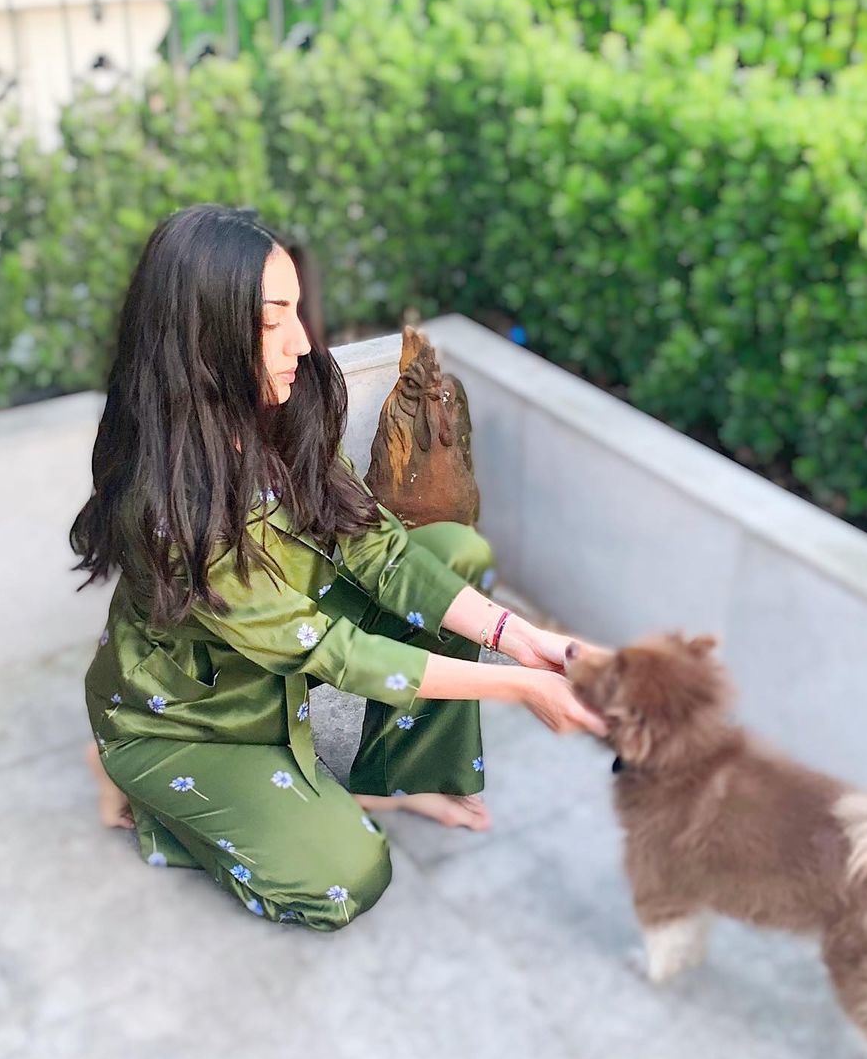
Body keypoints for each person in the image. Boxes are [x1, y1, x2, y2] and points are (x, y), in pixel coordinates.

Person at [71, 204, 606, 931]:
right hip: (194, 719)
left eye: (297, 312)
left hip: (282, 644)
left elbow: (376, 548)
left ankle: (399, 776)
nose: (301, 342)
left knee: (453, 553)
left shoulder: (280, 403)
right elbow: (332, 650)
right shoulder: (168, 501)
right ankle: (141, 791)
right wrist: (521, 685)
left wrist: (523, 639)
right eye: (271, 321)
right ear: (200, 334)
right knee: (345, 879)